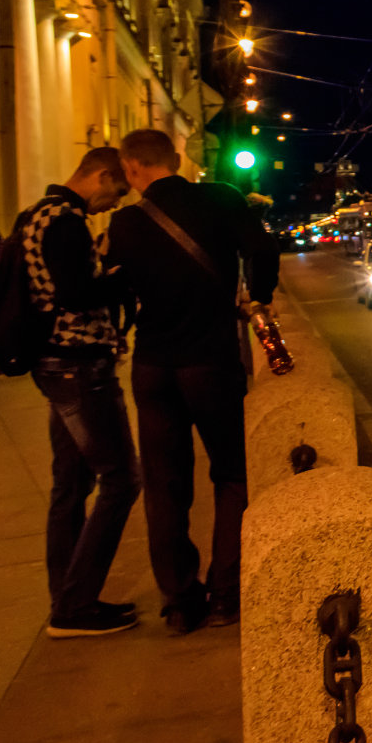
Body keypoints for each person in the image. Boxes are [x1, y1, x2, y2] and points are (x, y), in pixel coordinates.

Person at [105, 129, 280, 633]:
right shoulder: (219, 197)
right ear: (177, 158)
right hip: (210, 360)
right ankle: (225, 593)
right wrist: (259, 296)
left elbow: (121, 286)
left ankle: (180, 603)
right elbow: (262, 249)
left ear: (132, 168)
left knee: (164, 486)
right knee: (231, 472)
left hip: (153, 366)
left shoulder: (127, 221)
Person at [18, 149, 141, 638]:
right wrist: (124, 275)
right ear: (102, 175)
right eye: (117, 191)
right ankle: (75, 605)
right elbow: (76, 293)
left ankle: (66, 599)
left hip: (54, 364)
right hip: (79, 366)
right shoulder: (66, 221)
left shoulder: (34, 215)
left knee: (69, 485)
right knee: (121, 480)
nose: (113, 203)